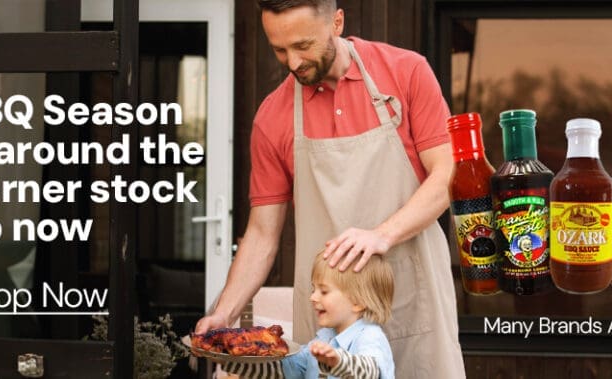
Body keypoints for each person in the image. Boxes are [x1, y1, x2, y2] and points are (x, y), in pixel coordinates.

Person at [195, 0, 466, 377]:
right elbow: (261, 235)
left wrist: (381, 235)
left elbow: (448, 174)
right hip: (329, 325)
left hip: (414, 302)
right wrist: (223, 314)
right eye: (279, 49)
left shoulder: (405, 72)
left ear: (337, 23)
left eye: (303, 46)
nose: (292, 62)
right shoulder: (272, 117)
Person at [222, 252, 395, 378]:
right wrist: (229, 358)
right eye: (314, 290)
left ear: (357, 302)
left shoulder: (370, 337)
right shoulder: (323, 340)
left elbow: (370, 371)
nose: (313, 297)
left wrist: (338, 362)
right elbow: (283, 370)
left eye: (324, 291)